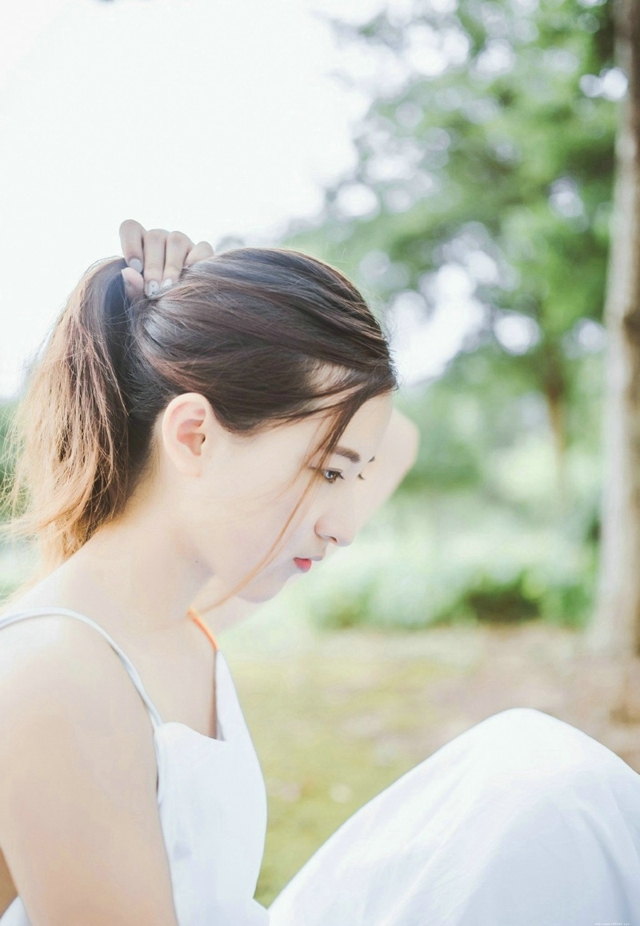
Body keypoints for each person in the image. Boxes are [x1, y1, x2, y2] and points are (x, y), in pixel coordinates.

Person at [0, 221, 637, 926]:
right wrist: (232, 341)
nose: (345, 525)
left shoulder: (176, 613)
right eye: (330, 473)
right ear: (194, 436)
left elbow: (392, 439)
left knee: (551, 788)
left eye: (349, 477)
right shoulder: (59, 673)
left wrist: (219, 325)